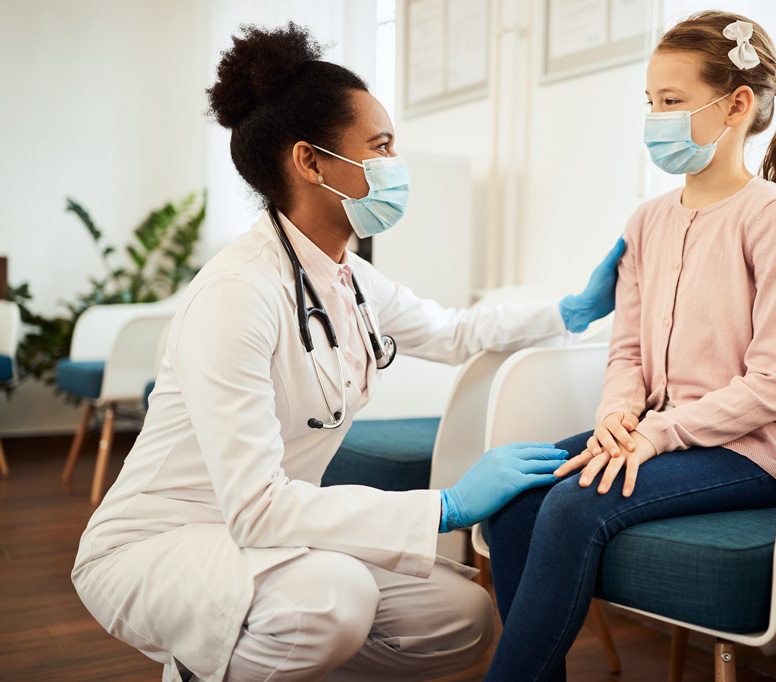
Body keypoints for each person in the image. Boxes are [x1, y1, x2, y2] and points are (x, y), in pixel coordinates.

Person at [71, 23, 622, 682]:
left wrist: (572, 310)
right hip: (162, 543)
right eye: (381, 145)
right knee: (334, 601)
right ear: (311, 162)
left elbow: (452, 332)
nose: (396, 164)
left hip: (272, 542)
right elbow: (255, 507)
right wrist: (445, 507)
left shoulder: (345, 276)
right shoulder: (236, 294)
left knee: (460, 618)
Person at [485, 11, 776, 681]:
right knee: (511, 494)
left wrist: (658, 433)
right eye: (651, 102)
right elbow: (627, 352)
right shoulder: (646, 222)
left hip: (753, 447)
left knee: (574, 502)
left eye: (671, 102)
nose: (656, 117)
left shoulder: (773, 218)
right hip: (662, 432)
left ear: (736, 105)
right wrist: (618, 413)